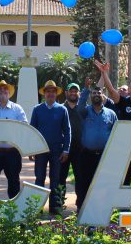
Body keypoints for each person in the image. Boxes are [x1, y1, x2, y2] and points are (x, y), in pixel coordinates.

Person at [30, 80, 71, 214]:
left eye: (53, 91)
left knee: (55, 179)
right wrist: (31, 149)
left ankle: (55, 208)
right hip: (40, 150)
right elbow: (32, 130)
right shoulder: (37, 109)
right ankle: (38, 208)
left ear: (56, 94)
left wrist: (66, 149)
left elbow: (67, 130)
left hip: (57, 150)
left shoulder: (62, 109)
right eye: (48, 91)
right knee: (39, 178)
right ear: (44, 94)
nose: (50, 94)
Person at [75, 86, 117, 211]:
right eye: (93, 93)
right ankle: (82, 210)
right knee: (84, 183)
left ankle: (102, 210)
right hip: (87, 155)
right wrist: (86, 91)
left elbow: (116, 132)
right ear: (90, 96)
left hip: (104, 156)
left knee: (103, 184)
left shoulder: (111, 114)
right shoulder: (85, 112)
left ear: (103, 94)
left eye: (99, 92)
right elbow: (79, 107)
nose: (96, 94)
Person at [62, 82, 85, 211]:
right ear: (66, 93)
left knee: (80, 179)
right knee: (61, 178)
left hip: (80, 150)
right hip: (64, 150)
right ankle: (58, 205)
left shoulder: (83, 109)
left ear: (79, 94)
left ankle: (80, 205)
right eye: (71, 91)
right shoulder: (61, 109)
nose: (73, 93)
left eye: (75, 91)